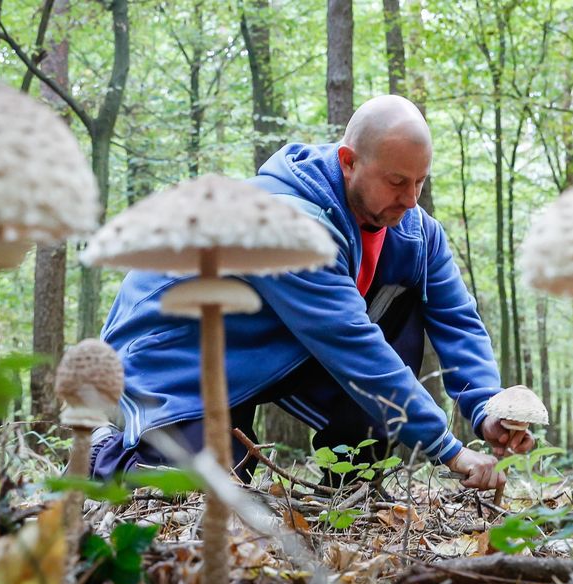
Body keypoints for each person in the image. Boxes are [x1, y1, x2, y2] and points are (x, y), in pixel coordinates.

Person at [89, 95, 532, 490]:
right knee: (200, 487)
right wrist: (449, 449)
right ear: (348, 161)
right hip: (175, 347)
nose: (411, 199)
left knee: (403, 307)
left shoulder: (417, 234)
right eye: (397, 182)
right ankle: (98, 455)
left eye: (420, 182)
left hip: (270, 343)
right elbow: (351, 345)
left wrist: (487, 407)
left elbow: (457, 319)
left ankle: (353, 479)